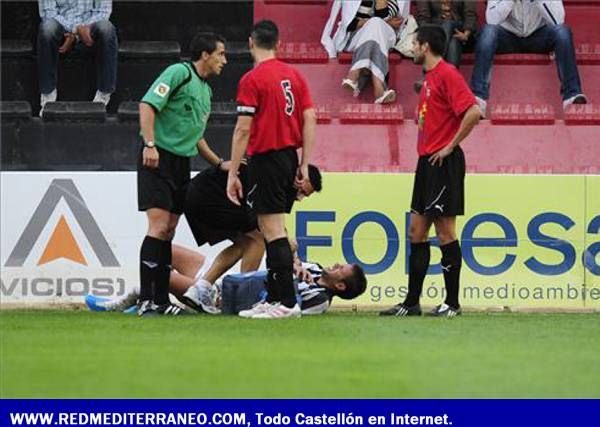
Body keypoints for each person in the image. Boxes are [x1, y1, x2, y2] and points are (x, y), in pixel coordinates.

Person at [380, 25, 480, 318]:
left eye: (414, 42)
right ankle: (411, 303)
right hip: (426, 163)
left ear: (425, 46)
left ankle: (452, 303)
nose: (411, 47)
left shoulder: (448, 74)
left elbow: (473, 111)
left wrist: (450, 146)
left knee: (445, 231)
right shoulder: (429, 80)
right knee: (416, 231)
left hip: (443, 162)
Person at [227, 20, 317, 319]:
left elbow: (243, 129)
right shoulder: (293, 75)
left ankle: (287, 303)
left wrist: (232, 173)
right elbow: (310, 117)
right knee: (270, 229)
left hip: (266, 158)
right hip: (289, 157)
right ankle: (277, 297)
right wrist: (303, 162)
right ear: (277, 43)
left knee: (273, 229)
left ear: (251, 41)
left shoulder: (253, 79)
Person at [137, 32, 227, 316]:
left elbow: (196, 135)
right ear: (205, 54)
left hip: (181, 163)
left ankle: (161, 301)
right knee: (159, 226)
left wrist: (218, 163)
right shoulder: (179, 72)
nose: (224, 60)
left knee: (170, 229)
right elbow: (147, 105)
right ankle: (147, 301)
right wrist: (150, 145)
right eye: (220, 54)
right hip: (158, 157)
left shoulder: (206, 91)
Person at [180, 162, 323, 313]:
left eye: (304, 195)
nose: (299, 198)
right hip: (212, 195)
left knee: (246, 242)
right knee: (258, 240)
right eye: (302, 191)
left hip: (195, 194)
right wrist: (291, 254)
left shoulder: (283, 181)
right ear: (299, 175)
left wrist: (294, 257)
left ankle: (201, 289)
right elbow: (274, 229)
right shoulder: (277, 179)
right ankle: (243, 296)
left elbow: (276, 226)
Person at [85, 242, 367, 316]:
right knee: (162, 249)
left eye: (343, 268)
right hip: (230, 277)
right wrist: (294, 263)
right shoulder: (314, 268)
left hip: (227, 296)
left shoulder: (319, 301)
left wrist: (290, 279)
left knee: (163, 275)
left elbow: (287, 307)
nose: (338, 263)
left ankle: (126, 301)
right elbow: (284, 256)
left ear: (340, 286)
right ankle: (146, 300)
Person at [470, 0, 587, 117]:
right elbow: (492, 20)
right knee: (487, 32)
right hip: (508, 38)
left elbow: (558, 20)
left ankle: (572, 96)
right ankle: (478, 99)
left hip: (538, 37)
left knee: (563, 32)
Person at [37, 0, 118, 115]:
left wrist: (82, 30)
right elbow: (47, 12)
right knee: (47, 28)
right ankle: (47, 95)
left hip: (90, 27)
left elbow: (103, 11)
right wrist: (75, 30)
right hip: (61, 26)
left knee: (107, 29)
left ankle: (104, 94)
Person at [322, 0, 410, 104]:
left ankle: (354, 74)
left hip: (385, 36)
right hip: (356, 37)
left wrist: (376, 17)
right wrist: (375, 22)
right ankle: (379, 87)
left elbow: (392, 20)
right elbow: (350, 24)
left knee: (376, 24)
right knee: (374, 24)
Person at [415, 0, 477, 68]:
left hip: (461, 31)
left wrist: (466, 34)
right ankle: (452, 76)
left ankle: (435, 63)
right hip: (436, 34)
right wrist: (428, 37)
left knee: (448, 24)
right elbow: (423, 18)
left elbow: (470, 15)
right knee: (453, 43)